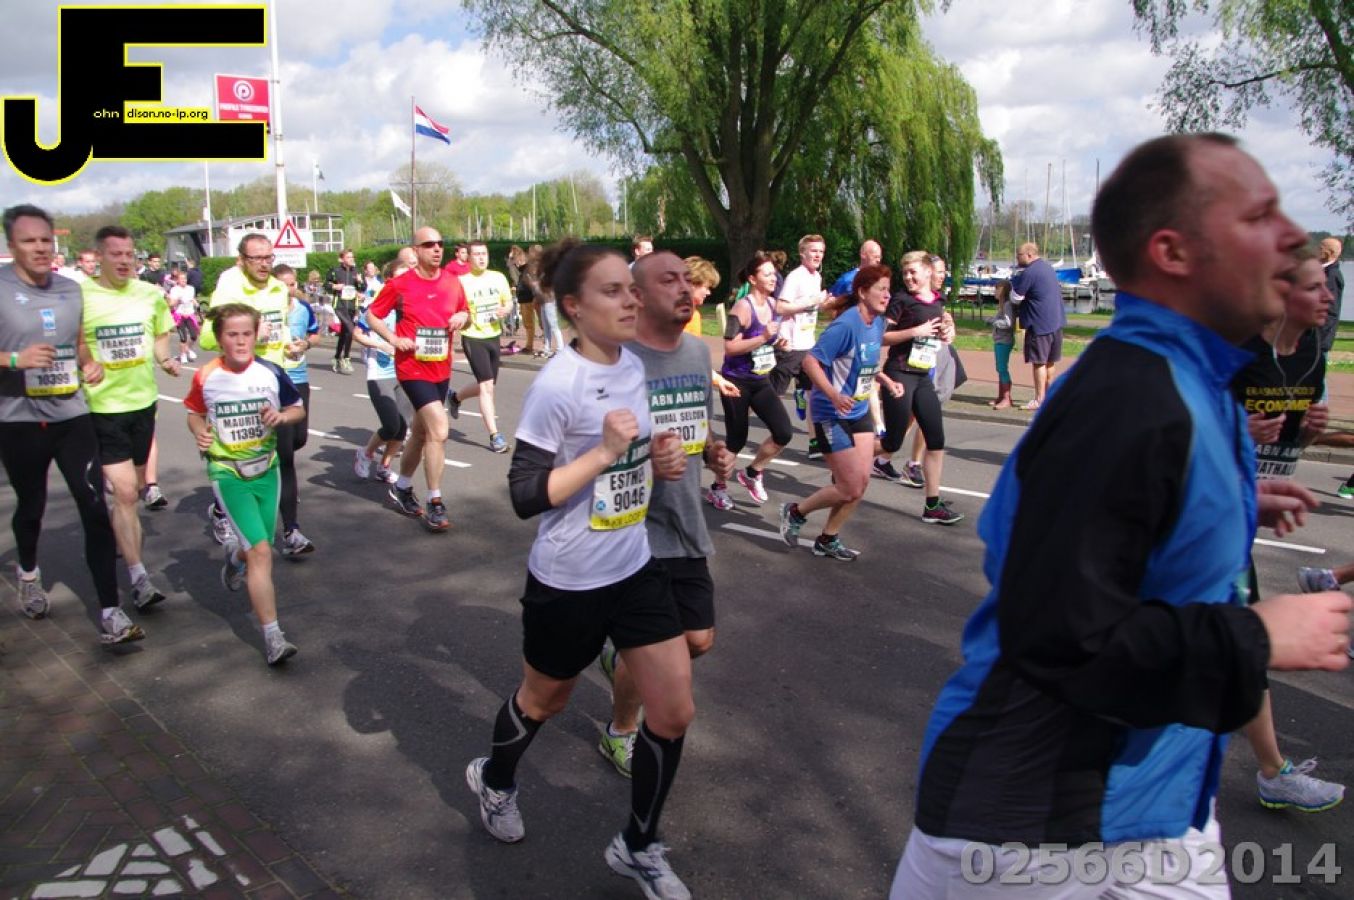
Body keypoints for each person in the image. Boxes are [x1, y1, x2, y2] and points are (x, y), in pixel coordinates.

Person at [891, 133, 1350, 899]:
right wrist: (1260, 634)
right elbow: (1056, 632)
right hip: (1031, 828)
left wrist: (1229, 501)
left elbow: (1094, 524)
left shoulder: (1194, 379)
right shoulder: (1131, 397)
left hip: (1158, 806)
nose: (1290, 236)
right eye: (1259, 215)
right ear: (1173, 251)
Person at [465, 238, 694, 900]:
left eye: (632, 288)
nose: (631, 300)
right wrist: (603, 454)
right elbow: (523, 494)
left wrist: (656, 460)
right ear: (573, 306)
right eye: (613, 291)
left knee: (674, 710)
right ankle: (495, 780)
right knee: (546, 700)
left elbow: (631, 453)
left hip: (634, 565)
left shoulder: (634, 365)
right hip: (569, 579)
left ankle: (638, 846)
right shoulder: (557, 385)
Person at [597, 250, 736, 780]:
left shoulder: (698, 353)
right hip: (632, 528)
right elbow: (586, 450)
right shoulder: (614, 360)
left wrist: (715, 451)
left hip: (684, 520)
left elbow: (698, 425)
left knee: (698, 639)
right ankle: (620, 731)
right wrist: (641, 459)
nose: (684, 289)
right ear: (637, 296)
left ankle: (621, 656)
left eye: (686, 280)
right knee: (653, 651)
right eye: (669, 280)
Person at [1228, 244, 1344, 812]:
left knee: (1231, 640)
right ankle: (1273, 771)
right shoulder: (1235, 352)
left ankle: (1272, 770)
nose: (1329, 298)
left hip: (1238, 516)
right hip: (1197, 514)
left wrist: (1314, 430)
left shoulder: (1311, 358)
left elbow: (1294, 438)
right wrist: (1234, 427)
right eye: (1315, 287)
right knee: (1235, 639)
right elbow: (1175, 431)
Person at [0, 204, 141, 645]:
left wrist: (89, 363)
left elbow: (79, 344)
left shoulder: (69, 289)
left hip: (71, 414)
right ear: (12, 246)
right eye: (29, 241)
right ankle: (28, 572)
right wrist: (14, 359)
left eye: (46, 239)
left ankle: (111, 612)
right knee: (32, 504)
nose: (41, 248)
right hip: (19, 419)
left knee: (95, 507)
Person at [184, 304, 305, 665]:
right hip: (228, 472)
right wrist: (200, 432)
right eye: (232, 335)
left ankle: (234, 559)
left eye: (247, 334)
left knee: (256, 548)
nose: (240, 341)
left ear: (256, 335)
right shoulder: (207, 375)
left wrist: (282, 416)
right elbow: (193, 412)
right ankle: (273, 637)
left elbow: (297, 407)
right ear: (220, 339)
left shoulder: (270, 371)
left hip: (267, 470)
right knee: (263, 553)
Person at [80, 224, 180, 612]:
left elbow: (160, 333)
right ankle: (139, 579)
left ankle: (120, 529)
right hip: (103, 406)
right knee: (124, 493)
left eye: (129, 254)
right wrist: (87, 362)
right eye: (116, 254)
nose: (124, 261)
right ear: (99, 257)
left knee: (135, 491)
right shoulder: (82, 295)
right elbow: (73, 340)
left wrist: (165, 359)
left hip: (143, 402)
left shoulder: (148, 294)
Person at [201, 235, 314, 556]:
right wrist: (249, 334)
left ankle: (290, 530)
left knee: (288, 451)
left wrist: (289, 344)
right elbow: (206, 338)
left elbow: (278, 332)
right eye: (257, 258)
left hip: (273, 381)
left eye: (268, 257)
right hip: (238, 386)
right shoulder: (229, 287)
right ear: (241, 260)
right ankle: (226, 510)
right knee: (251, 456)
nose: (264, 264)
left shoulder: (278, 288)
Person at [778, 264, 889, 559]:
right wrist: (834, 394)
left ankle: (828, 539)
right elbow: (810, 362)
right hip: (831, 412)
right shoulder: (845, 325)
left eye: (888, 290)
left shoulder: (877, 322)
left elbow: (864, 362)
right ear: (862, 292)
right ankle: (795, 512)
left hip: (858, 409)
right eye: (881, 289)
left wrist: (886, 380)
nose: (887, 296)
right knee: (849, 487)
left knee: (860, 484)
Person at [366, 228, 469, 532]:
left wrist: (463, 317)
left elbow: (465, 312)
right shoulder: (400, 284)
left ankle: (402, 486)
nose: (436, 249)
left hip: (441, 367)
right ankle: (435, 500)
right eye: (429, 245)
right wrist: (393, 338)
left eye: (440, 244)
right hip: (412, 368)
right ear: (416, 250)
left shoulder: (452, 281)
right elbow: (372, 315)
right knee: (440, 429)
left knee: (422, 434)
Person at [872, 251, 963, 524]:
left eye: (913, 272)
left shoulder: (938, 300)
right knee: (892, 441)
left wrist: (948, 331)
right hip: (899, 374)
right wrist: (915, 332)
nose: (908, 277)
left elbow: (943, 329)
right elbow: (881, 337)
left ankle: (932, 505)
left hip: (923, 376)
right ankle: (849, 457)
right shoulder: (901, 300)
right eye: (905, 273)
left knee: (936, 440)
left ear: (927, 272)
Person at [705, 253, 794, 510]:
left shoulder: (773, 305)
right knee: (736, 440)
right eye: (767, 274)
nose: (773, 278)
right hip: (737, 381)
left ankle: (753, 472)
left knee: (783, 432)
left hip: (760, 380)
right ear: (753, 279)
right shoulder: (743, 308)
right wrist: (763, 337)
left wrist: (777, 343)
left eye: (774, 273)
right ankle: (718, 488)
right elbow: (730, 347)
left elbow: (765, 341)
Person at [271, 263, 321, 557]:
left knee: (299, 438)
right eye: (282, 285)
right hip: (275, 382)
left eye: (291, 284)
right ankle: (291, 530)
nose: (288, 290)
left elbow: (315, 335)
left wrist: (306, 344)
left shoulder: (303, 309)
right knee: (285, 457)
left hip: (299, 379)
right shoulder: (266, 311)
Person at [447, 241, 512, 453]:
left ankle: (455, 397)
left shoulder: (498, 277)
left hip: (493, 335)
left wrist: (505, 310)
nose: (482, 258)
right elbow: (454, 308)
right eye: (476, 254)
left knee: (488, 385)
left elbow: (508, 302)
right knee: (486, 387)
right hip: (473, 337)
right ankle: (495, 436)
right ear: (469, 257)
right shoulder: (461, 281)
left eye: (484, 253)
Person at [772, 235, 828, 455]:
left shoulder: (817, 277)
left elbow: (813, 308)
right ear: (802, 253)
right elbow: (781, 307)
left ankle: (814, 442)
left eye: (821, 251)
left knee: (813, 393)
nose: (817, 255)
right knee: (773, 395)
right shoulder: (795, 277)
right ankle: (741, 426)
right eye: (813, 251)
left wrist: (824, 303)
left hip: (808, 344)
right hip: (790, 345)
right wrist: (810, 301)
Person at [1008, 241, 1067, 410]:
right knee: (1050, 362)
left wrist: (1010, 287)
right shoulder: (1048, 268)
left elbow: (1016, 298)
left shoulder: (1030, 272)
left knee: (1039, 362)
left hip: (1039, 324)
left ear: (1029, 254)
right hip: (1056, 322)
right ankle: (1048, 397)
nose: (1017, 258)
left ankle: (1039, 399)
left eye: (1019, 255)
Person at [327, 249, 364, 374]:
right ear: (341, 259)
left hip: (352, 306)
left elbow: (362, 288)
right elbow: (326, 285)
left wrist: (360, 282)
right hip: (339, 305)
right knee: (350, 329)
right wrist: (335, 286)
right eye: (348, 257)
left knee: (345, 332)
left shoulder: (357, 272)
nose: (351, 259)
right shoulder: (335, 271)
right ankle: (346, 358)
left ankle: (337, 357)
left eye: (352, 257)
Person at [988, 280, 1016, 408]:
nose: (995, 291)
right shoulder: (1003, 305)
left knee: (1002, 368)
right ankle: (1001, 396)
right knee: (1000, 368)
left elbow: (1008, 323)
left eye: (997, 289)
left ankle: (1006, 398)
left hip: (1004, 340)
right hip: (999, 340)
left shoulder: (1007, 305)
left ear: (1003, 290)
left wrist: (994, 322)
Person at [1316, 237, 1343, 354]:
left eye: (1320, 248)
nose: (1316, 251)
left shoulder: (1331, 275)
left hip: (1319, 338)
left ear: (1329, 253)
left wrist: (1318, 337)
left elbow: (1330, 310)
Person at [168, 269, 199, 363]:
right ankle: (183, 355)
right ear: (178, 280)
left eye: (185, 279)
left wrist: (195, 303)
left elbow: (192, 298)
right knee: (183, 338)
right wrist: (178, 301)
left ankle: (187, 349)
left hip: (189, 314)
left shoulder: (191, 288)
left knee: (194, 335)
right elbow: (171, 304)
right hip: (179, 315)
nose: (184, 281)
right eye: (181, 279)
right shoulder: (174, 290)